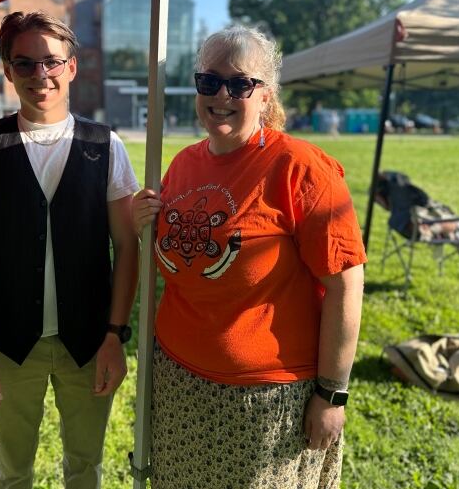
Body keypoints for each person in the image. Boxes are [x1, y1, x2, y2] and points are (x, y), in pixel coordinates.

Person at [133, 25, 367, 488]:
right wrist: (145, 222)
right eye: (208, 81)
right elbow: (183, 262)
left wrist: (331, 395)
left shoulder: (302, 168)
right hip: (178, 383)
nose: (222, 94)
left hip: (264, 403)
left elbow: (345, 284)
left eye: (240, 83)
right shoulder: (182, 164)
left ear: (266, 95)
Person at [0, 11, 140, 489]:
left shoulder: (106, 145)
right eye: (25, 63)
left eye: (51, 62)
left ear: (71, 67)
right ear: (8, 71)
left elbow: (126, 248)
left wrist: (115, 334)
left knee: (85, 467)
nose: (40, 75)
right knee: (12, 472)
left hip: (90, 343)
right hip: (10, 346)